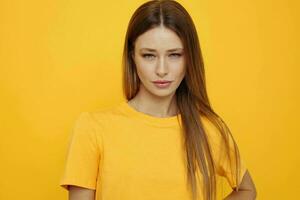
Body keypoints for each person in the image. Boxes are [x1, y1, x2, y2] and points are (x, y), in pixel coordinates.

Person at [59, 0, 257, 200]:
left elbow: (247, 190)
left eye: (174, 55)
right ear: (132, 57)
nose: (162, 70)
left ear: (189, 58)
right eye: (149, 56)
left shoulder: (208, 130)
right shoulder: (92, 129)